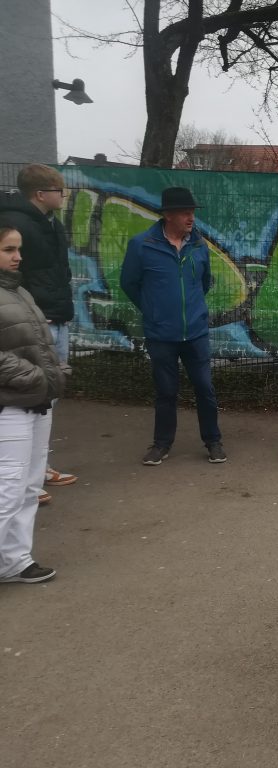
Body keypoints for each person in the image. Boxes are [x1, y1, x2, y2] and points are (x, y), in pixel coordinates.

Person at [119, 187, 226, 465]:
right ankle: (161, 444)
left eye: (192, 213)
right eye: (185, 213)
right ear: (168, 215)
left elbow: (204, 282)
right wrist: (153, 310)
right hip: (161, 334)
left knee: (205, 388)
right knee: (166, 392)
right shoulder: (142, 245)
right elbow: (129, 283)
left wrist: (193, 311)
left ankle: (213, 441)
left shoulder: (199, 245)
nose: (191, 218)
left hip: (196, 332)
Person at [0, 164, 78, 498]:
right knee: (28, 395)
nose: (64, 196)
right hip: (33, 322)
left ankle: (37, 470)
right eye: (60, 191)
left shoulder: (51, 224)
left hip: (57, 317)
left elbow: (58, 270)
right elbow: (15, 279)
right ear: (41, 193)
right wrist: (33, 313)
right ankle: (20, 476)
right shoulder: (16, 224)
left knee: (50, 394)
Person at [0, 225, 65, 584]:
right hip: (10, 405)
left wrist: (56, 371)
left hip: (37, 401)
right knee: (7, 488)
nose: (18, 257)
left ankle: (14, 560)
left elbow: (38, 342)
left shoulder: (18, 291)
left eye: (18, 249)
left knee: (28, 486)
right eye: (9, 249)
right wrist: (34, 376)